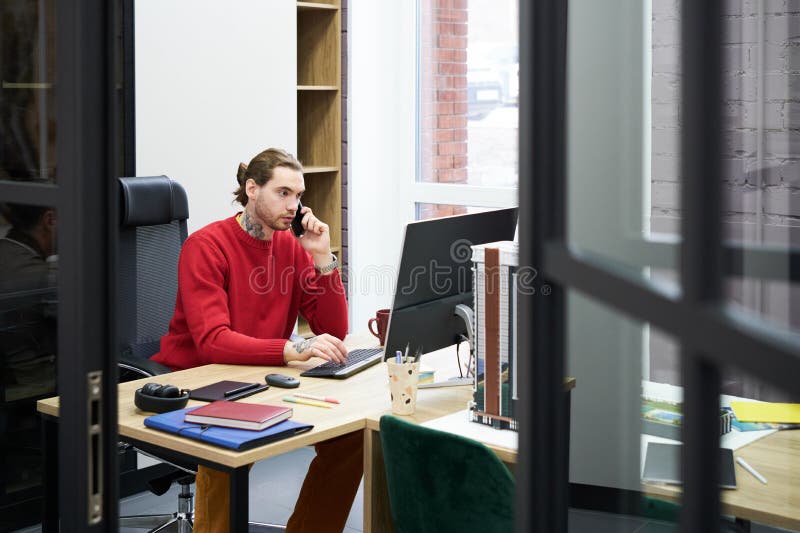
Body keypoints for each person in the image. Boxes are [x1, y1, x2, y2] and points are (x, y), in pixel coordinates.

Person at [152, 148, 361, 533]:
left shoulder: (291, 247)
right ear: (252, 188)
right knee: (226, 447)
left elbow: (334, 327)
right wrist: (292, 349)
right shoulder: (206, 246)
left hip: (262, 377)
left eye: (298, 196)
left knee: (353, 439)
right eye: (283, 193)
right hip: (200, 380)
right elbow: (214, 341)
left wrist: (322, 258)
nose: (294, 206)